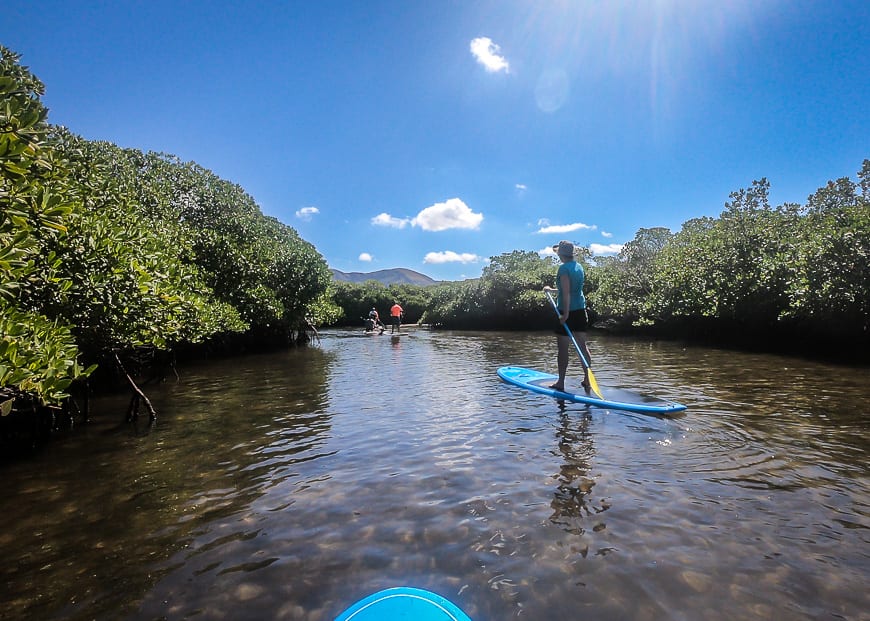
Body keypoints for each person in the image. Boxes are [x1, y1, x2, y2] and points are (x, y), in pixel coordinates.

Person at [543, 240, 591, 392]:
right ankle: (587, 379)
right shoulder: (579, 267)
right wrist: (551, 290)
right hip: (581, 309)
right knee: (582, 346)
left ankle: (561, 382)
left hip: (567, 310)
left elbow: (566, 294)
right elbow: (568, 290)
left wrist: (566, 315)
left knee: (563, 348)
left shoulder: (563, 269)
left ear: (561, 254)